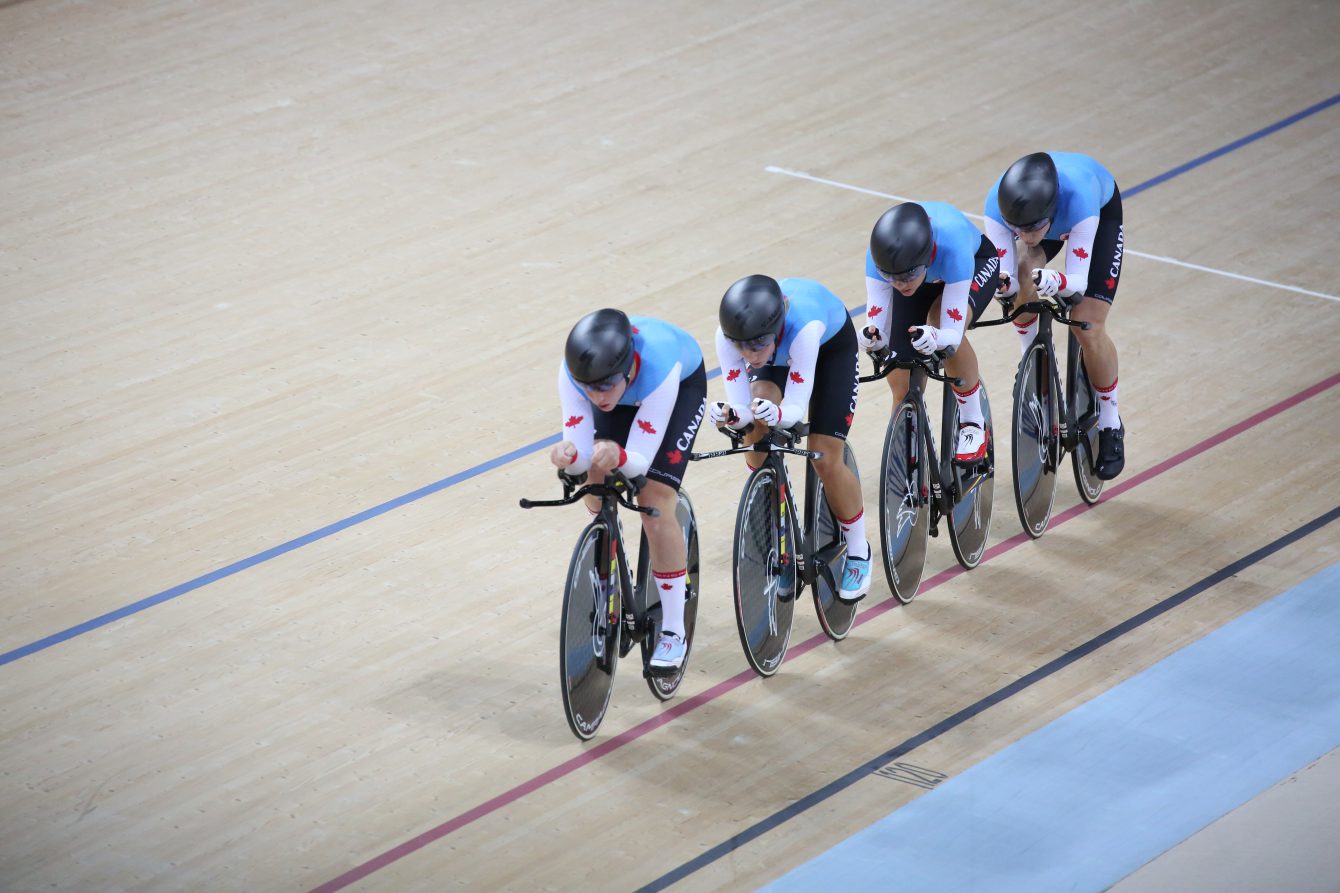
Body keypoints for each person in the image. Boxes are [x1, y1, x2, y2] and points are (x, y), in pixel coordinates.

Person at [551, 308, 707, 672]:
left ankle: (672, 628)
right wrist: (567, 456)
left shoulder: (657, 365)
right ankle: (609, 538)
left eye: (604, 385)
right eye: (588, 387)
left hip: (677, 389)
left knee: (653, 499)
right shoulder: (578, 378)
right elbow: (578, 455)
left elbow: (638, 459)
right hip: (631, 392)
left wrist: (619, 454)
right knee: (593, 472)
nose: (596, 395)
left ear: (628, 368)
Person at [708, 274, 872, 603]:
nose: (749, 354)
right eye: (741, 347)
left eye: (756, 345)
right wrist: (732, 415)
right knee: (754, 435)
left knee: (825, 457)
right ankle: (779, 532)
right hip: (779, 359)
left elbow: (796, 406)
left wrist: (779, 415)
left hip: (829, 355)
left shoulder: (804, 327)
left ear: (776, 328)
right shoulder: (732, 339)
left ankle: (858, 550)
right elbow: (743, 406)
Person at [984, 151, 1126, 479]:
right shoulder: (996, 206)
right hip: (1053, 218)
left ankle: (1109, 420)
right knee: (1020, 278)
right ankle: (1031, 363)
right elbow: (1003, 278)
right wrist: (1004, 287)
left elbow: (1077, 282)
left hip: (1098, 217)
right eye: (1018, 229)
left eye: (1033, 228)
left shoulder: (1080, 201)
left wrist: (1057, 281)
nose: (1027, 235)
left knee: (1087, 324)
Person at [861, 202, 1001, 465]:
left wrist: (937, 337)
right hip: (923, 277)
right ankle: (908, 449)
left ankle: (972, 421)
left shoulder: (953, 246)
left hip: (973, 265)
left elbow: (951, 332)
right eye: (892, 278)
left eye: (906, 277)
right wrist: (873, 339)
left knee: (938, 321)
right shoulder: (882, 260)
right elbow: (877, 326)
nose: (900, 285)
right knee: (900, 376)